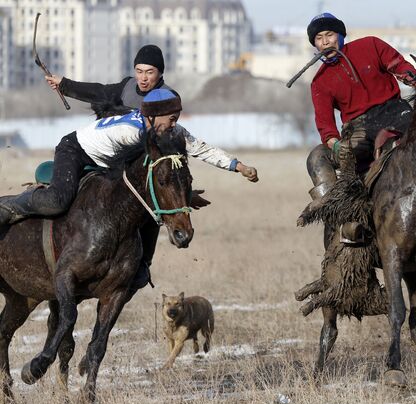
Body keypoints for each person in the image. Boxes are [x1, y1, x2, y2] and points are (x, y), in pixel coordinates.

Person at [0, 89, 258, 288]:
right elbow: (125, 173)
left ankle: (138, 267)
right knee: (58, 200)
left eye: (176, 119)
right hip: (77, 150)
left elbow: (200, 148)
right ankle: (8, 207)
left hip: (105, 161)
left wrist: (237, 166)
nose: (174, 124)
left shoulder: (164, 129)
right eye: (171, 119)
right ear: (152, 116)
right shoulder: (130, 132)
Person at [305, 13, 416, 243]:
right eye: (319, 38)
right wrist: (335, 145)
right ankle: (342, 216)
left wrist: (407, 74)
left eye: (330, 35)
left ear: (340, 36)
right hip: (359, 127)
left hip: (396, 111)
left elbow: (398, 64)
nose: (326, 41)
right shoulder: (319, 82)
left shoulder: (370, 45)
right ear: (315, 44)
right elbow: (325, 126)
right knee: (319, 156)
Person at [46, 44, 175, 109]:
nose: (143, 78)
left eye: (149, 72)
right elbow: (99, 92)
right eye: (139, 71)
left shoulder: (169, 96)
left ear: (160, 73)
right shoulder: (127, 86)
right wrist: (63, 84)